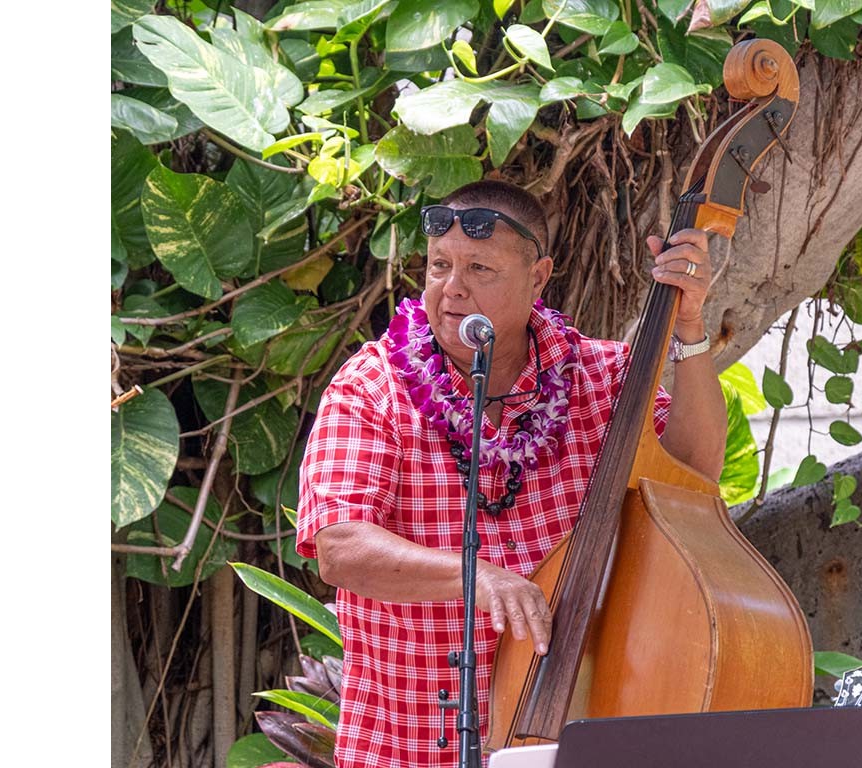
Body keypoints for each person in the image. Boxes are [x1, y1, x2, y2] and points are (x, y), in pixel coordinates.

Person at [296, 180, 727, 767]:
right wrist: (475, 576)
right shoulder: (371, 387)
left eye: (480, 268)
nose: (452, 288)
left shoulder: (601, 377)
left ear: (538, 277)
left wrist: (690, 327)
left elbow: (693, 476)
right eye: (440, 265)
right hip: (411, 743)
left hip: (564, 734)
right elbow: (340, 548)